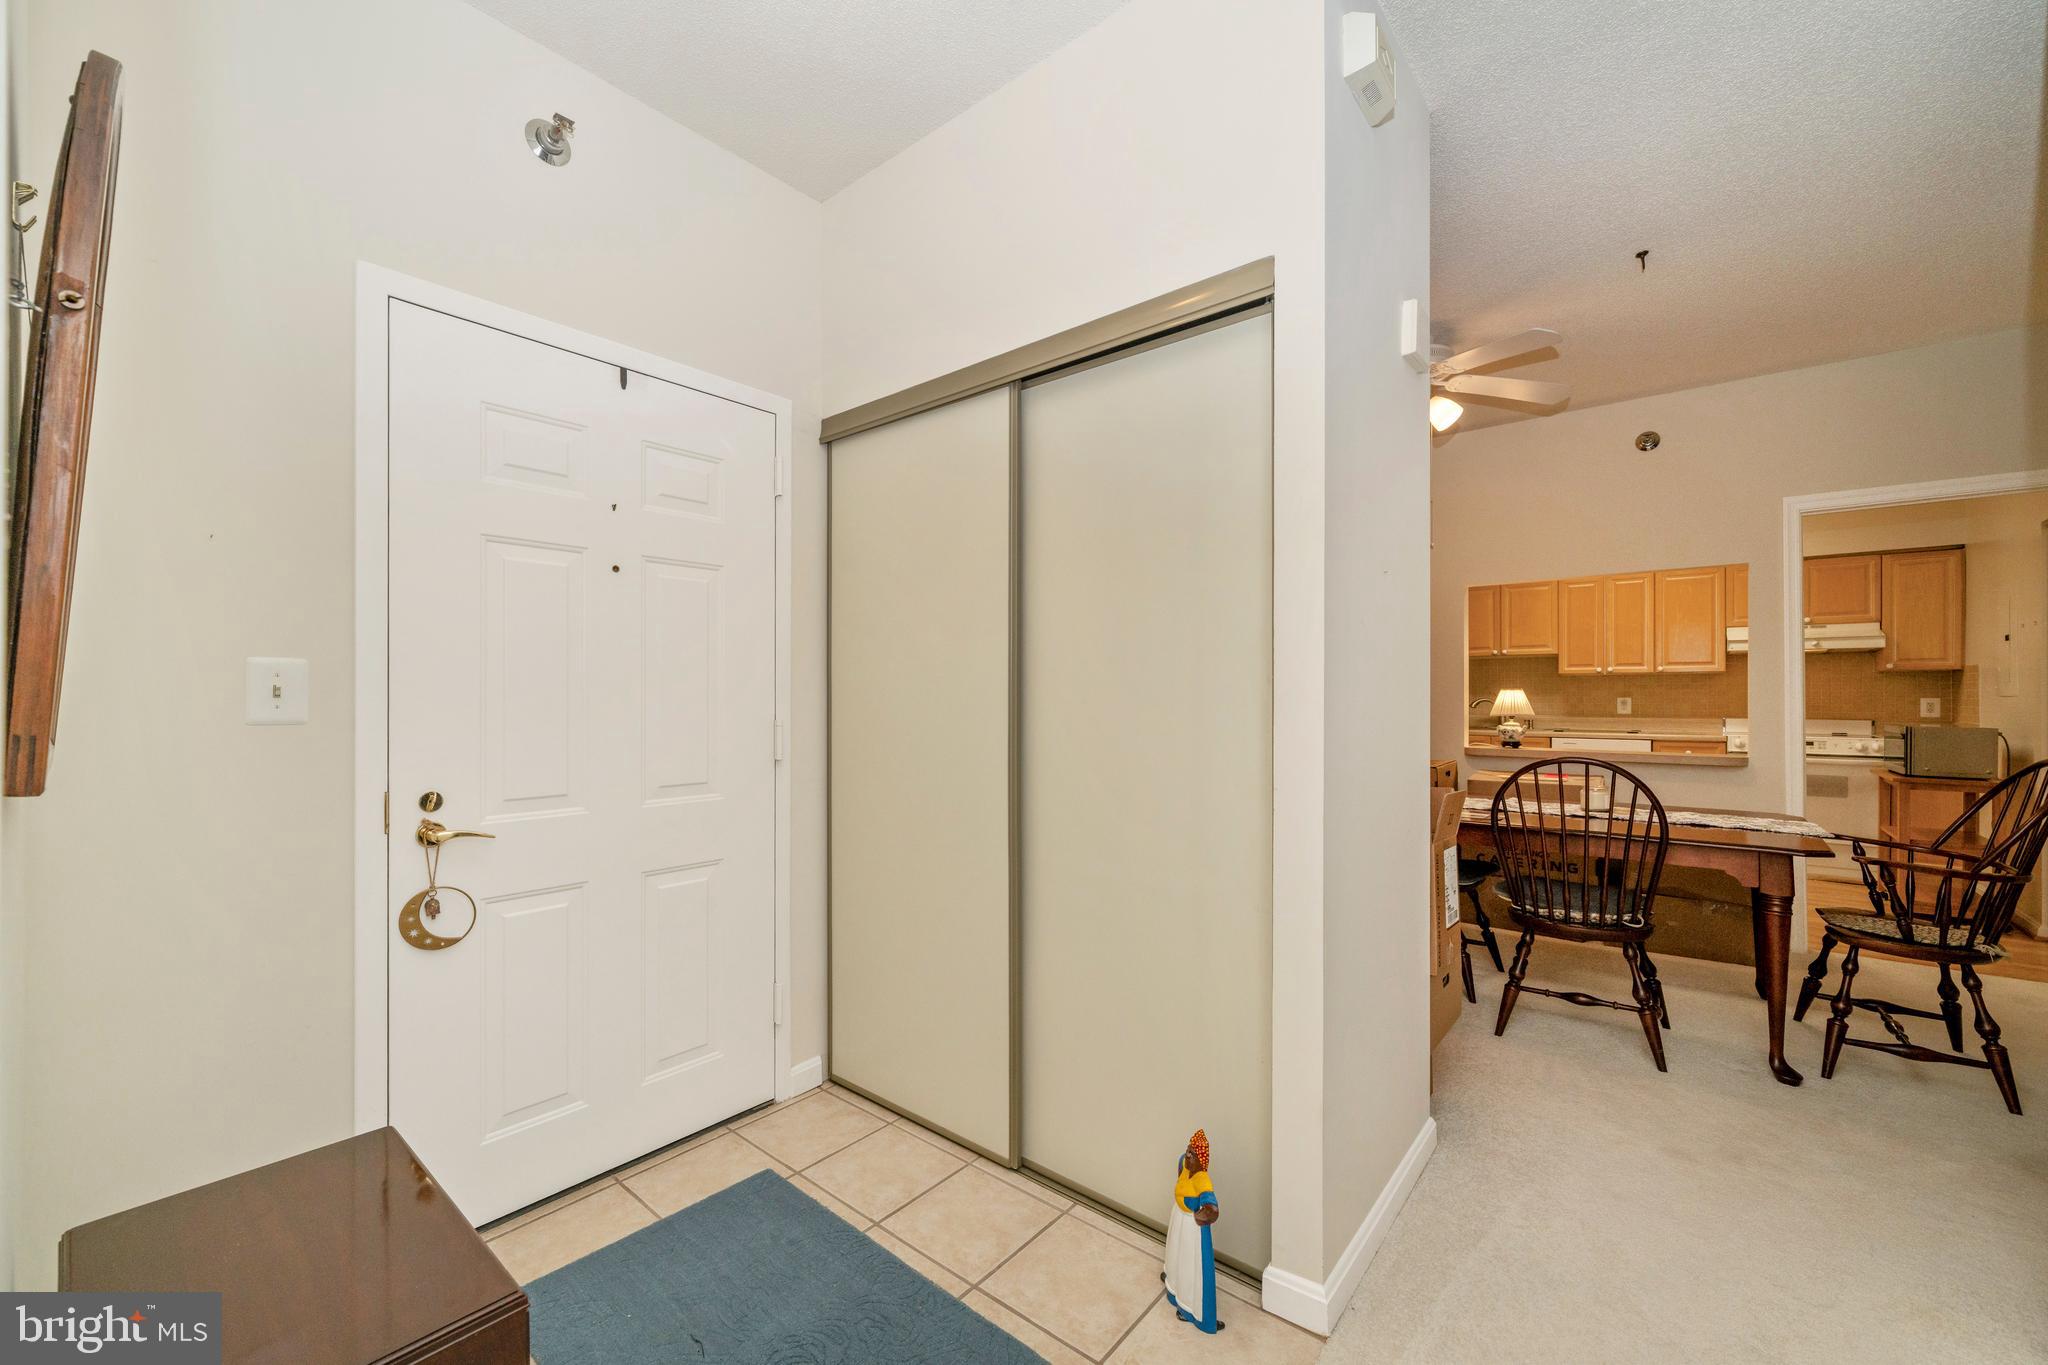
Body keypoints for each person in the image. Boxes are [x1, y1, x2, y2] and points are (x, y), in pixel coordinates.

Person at [1162, 1128, 1223, 1334]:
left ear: (1201, 1159)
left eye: (1192, 1154)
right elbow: (1180, 1163)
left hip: (1191, 1226)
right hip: (1178, 1218)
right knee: (1175, 1255)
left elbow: (1212, 1208)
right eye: (1188, 1151)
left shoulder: (1202, 1180)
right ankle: (1172, 1284)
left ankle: (1190, 1310)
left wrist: (1199, 1217)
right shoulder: (1185, 1166)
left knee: (1192, 1265)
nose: (1187, 1156)